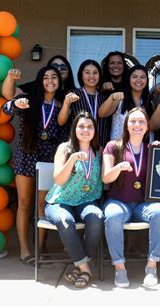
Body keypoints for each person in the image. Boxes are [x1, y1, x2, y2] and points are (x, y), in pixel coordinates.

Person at [3, 66, 67, 265]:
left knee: (42, 205)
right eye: (45, 77)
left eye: (54, 77)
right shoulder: (28, 100)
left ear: (59, 81)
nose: (50, 81)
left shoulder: (61, 104)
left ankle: (38, 249)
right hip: (27, 156)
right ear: (40, 81)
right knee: (23, 203)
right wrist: (16, 103)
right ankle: (24, 250)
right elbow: (5, 108)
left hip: (49, 158)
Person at [102, 108, 160, 287]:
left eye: (141, 121)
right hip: (118, 202)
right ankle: (120, 268)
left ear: (148, 126)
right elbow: (106, 178)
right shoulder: (113, 146)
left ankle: (151, 266)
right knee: (113, 216)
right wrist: (118, 168)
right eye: (132, 121)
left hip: (142, 205)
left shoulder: (153, 149)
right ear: (126, 125)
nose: (137, 125)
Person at [44, 112, 104, 288]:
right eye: (81, 126)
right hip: (60, 201)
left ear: (94, 130)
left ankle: (79, 265)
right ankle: (85, 268)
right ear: (74, 129)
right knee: (65, 221)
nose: (85, 130)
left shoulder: (99, 150)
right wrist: (72, 159)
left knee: (97, 217)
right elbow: (59, 180)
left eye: (89, 126)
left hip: (86, 201)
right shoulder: (65, 148)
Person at [57, 59, 118, 148]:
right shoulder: (74, 94)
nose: (91, 76)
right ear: (81, 75)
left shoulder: (105, 97)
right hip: (78, 147)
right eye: (87, 72)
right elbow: (61, 121)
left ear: (100, 75)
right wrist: (66, 103)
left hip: (101, 147)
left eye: (95, 73)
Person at [99, 64, 153, 140]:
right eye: (134, 77)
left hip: (139, 149)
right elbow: (101, 114)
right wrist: (111, 98)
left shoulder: (149, 103)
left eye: (142, 77)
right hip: (118, 148)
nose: (138, 80)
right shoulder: (120, 98)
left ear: (147, 80)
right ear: (129, 79)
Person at [2, 55, 76, 102]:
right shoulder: (36, 85)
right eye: (55, 66)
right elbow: (10, 95)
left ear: (68, 70)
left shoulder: (74, 92)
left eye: (63, 67)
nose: (59, 69)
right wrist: (10, 78)